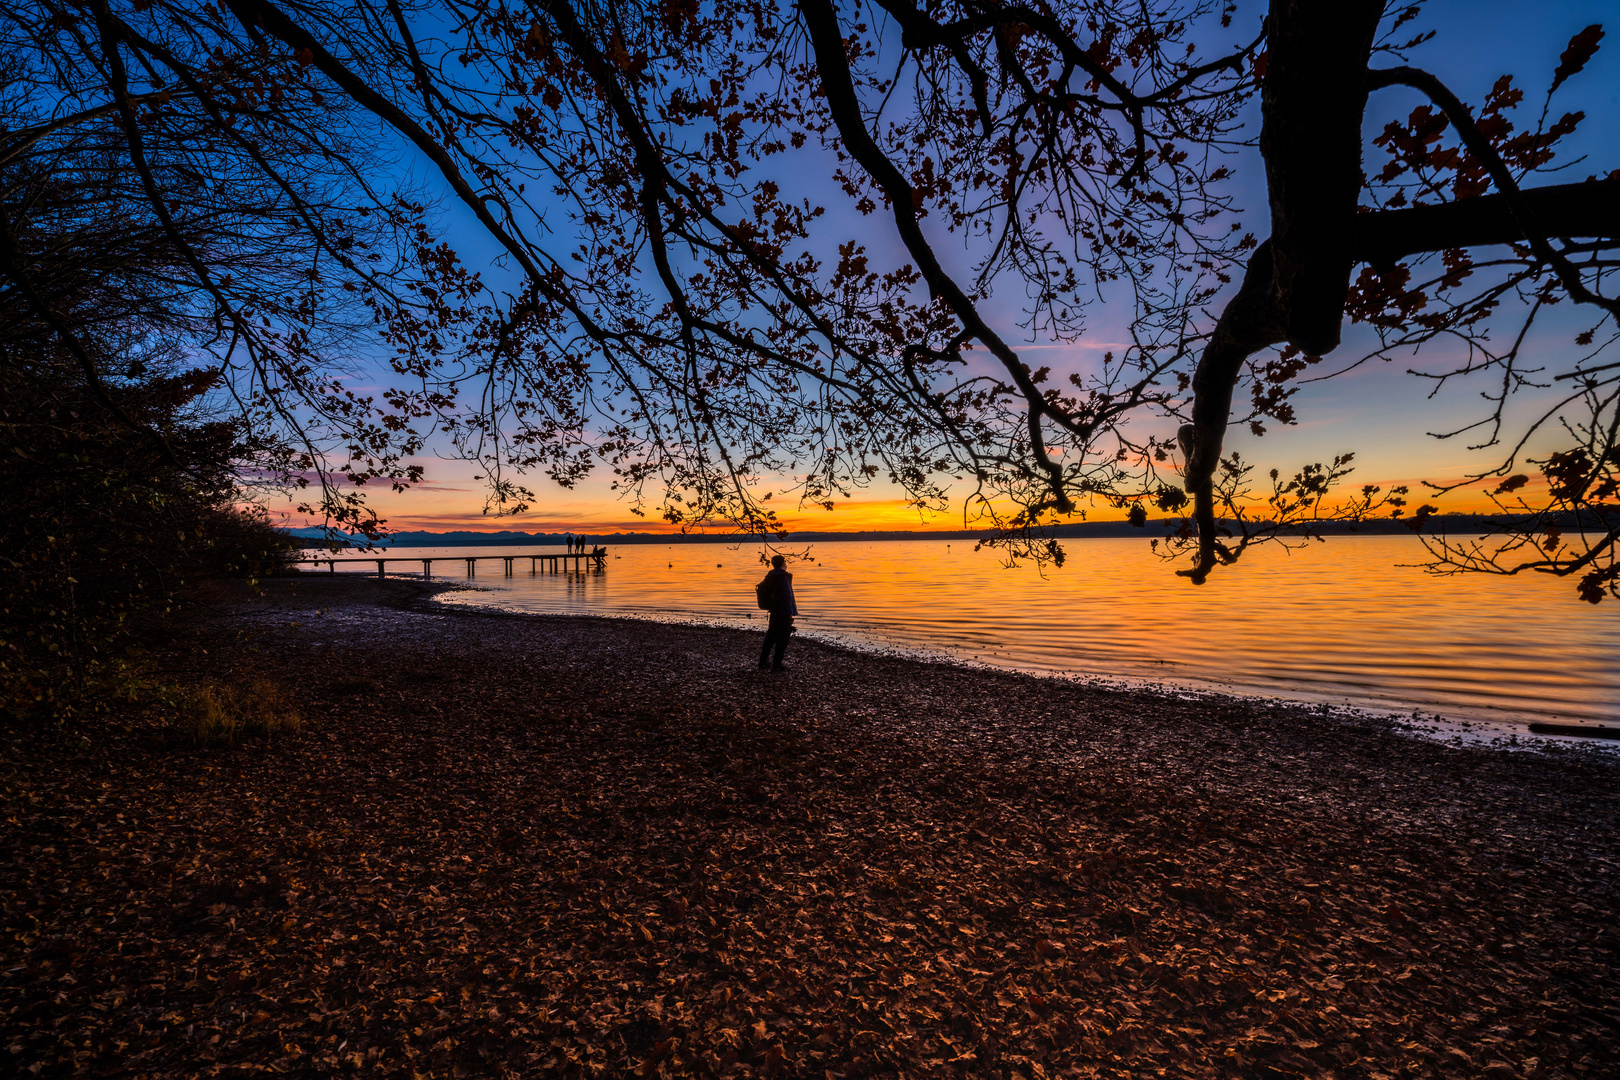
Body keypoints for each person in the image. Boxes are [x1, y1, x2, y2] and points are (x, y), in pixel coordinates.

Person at [757, 554, 799, 672]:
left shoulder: (770, 575)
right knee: (783, 638)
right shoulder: (783, 576)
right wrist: (790, 612)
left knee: (770, 637)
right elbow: (787, 595)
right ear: (783, 563)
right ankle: (777, 664)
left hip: (774, 610)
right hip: (783, 612)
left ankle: (763, 661)